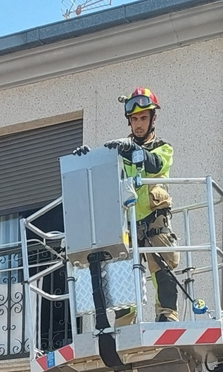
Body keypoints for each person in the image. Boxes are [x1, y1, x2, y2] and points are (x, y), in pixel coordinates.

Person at [77, 88, 179, 322]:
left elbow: (154, 164)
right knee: (121, 274)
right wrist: (86, 159)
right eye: (134, 119)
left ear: (153, 118)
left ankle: (167, 316)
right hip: (126, 223)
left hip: (154, 222)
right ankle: (124, 324)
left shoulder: (163, 148)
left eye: (143, 118)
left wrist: (132, 149)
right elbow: (101, 172)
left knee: (162, 267)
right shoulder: (120, 151)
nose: (138, 124)